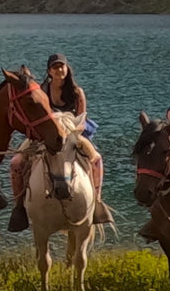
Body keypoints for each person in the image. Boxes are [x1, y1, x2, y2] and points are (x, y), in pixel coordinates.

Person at [8, 54, 108, 231]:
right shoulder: (43, 90)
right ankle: (19, 207)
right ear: (49, 71)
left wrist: (68, 130)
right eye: (55, 67)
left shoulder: (77, 92)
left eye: (62, 66)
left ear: (67, 69)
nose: (59, 70)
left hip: (72, 134)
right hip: (45, 136)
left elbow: (82, 120)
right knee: (16, 163)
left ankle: (97, 202)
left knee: (97, 159)